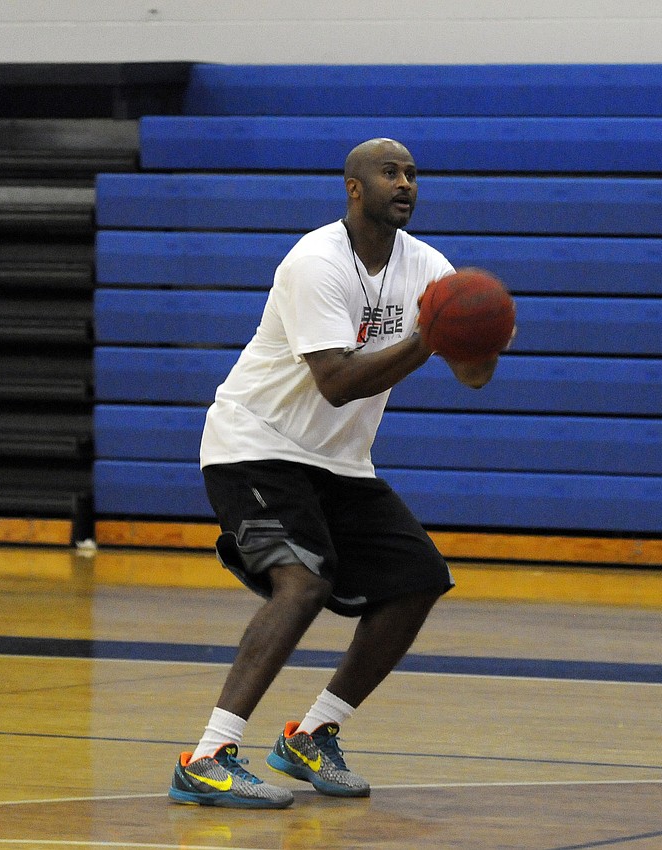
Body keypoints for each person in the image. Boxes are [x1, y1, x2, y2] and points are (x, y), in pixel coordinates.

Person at [169, 138, 501, 809]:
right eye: (389, 172)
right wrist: (427, 339)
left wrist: (481, 337)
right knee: (302, 581)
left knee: (417, 581)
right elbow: (337, 384)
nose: (405, 182)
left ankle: (313, 734)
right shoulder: (316, 262)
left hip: (338, 463)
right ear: (354, 188)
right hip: (253, 444)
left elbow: (470, 377)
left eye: (411, 174)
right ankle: (206, 756)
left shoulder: (428, 270)